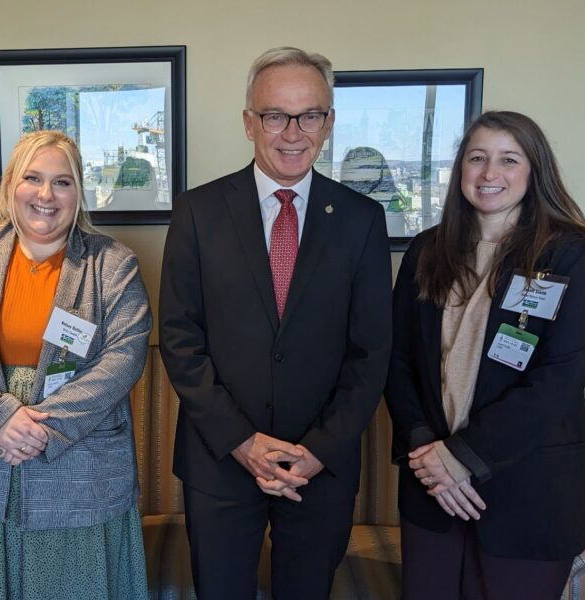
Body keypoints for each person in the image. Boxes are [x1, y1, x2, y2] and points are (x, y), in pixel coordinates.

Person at [159, 47, 392, 599]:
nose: (293, 132)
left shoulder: (361, 220)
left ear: (329, 123)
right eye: (275, 115)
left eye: (310, 114)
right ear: (249, 122)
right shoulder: (198, 211)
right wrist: (241, 441)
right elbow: (179, 338)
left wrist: (319, 449)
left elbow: (372, 353)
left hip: (321, 468)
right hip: (221, 460)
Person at [384, 110, 585, 599]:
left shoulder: (572, 255)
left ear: (535, 171)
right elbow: (398, 361)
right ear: (461, 171)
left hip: (529, 495)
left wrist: (461, 457)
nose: (490, 174)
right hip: (433, 492)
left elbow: (559, 378)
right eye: (477, 158)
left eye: (508, 159)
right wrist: (429, 451)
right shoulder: (427, 251)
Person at [0, 130, 151, 600]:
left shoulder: (113, 264)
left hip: (79, 473)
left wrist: (46, 430)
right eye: (33, 178)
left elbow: (124, 357)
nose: (46, 195)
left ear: (79, 193)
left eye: (62, 182)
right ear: (11, 186)